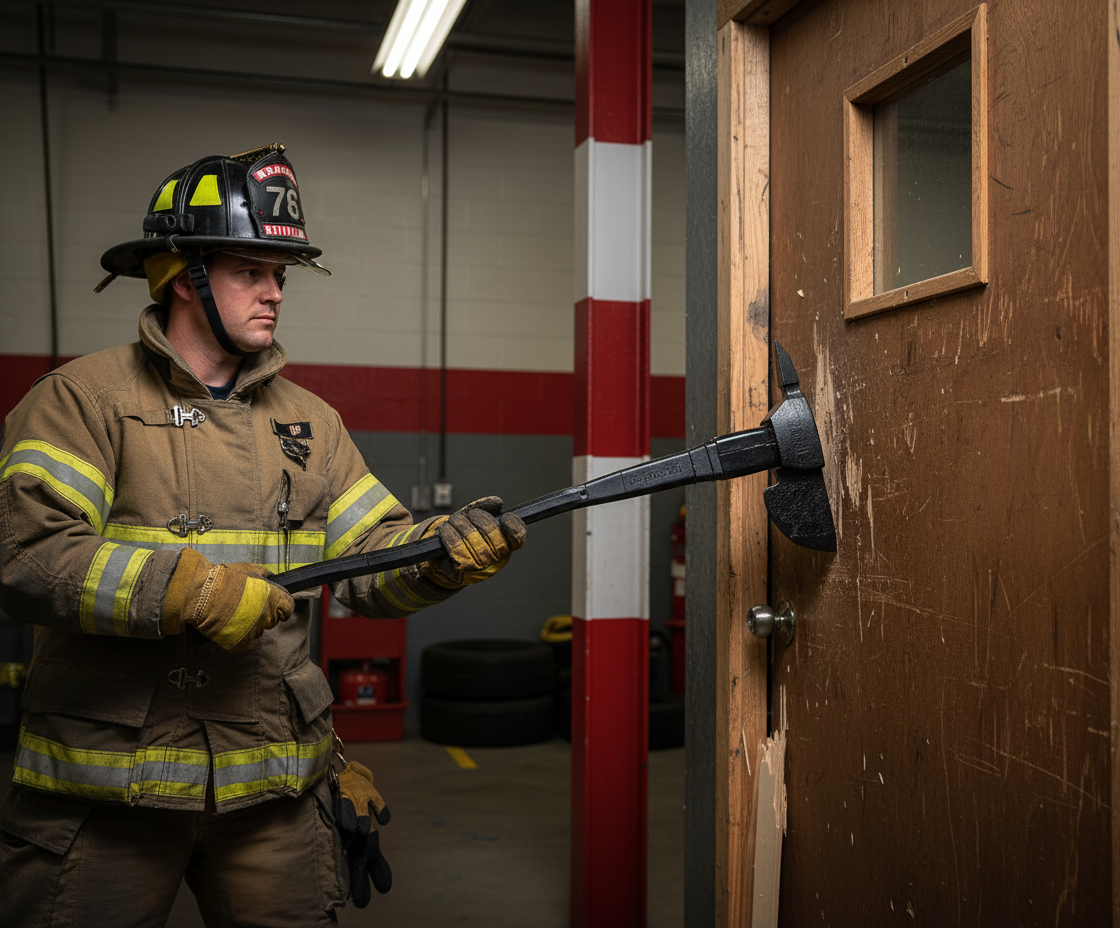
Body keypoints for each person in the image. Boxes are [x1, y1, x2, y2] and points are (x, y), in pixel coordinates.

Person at [0, 143, 526, 926]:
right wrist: (185, 590)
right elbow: (27, 554)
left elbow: (365, 563)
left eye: (281, 275)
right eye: (253, 271)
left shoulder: (311, 421)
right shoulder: (82, 399)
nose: (275, 293)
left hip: (273, 793)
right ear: (187, 277)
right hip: (110, 791)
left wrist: (439, 556)